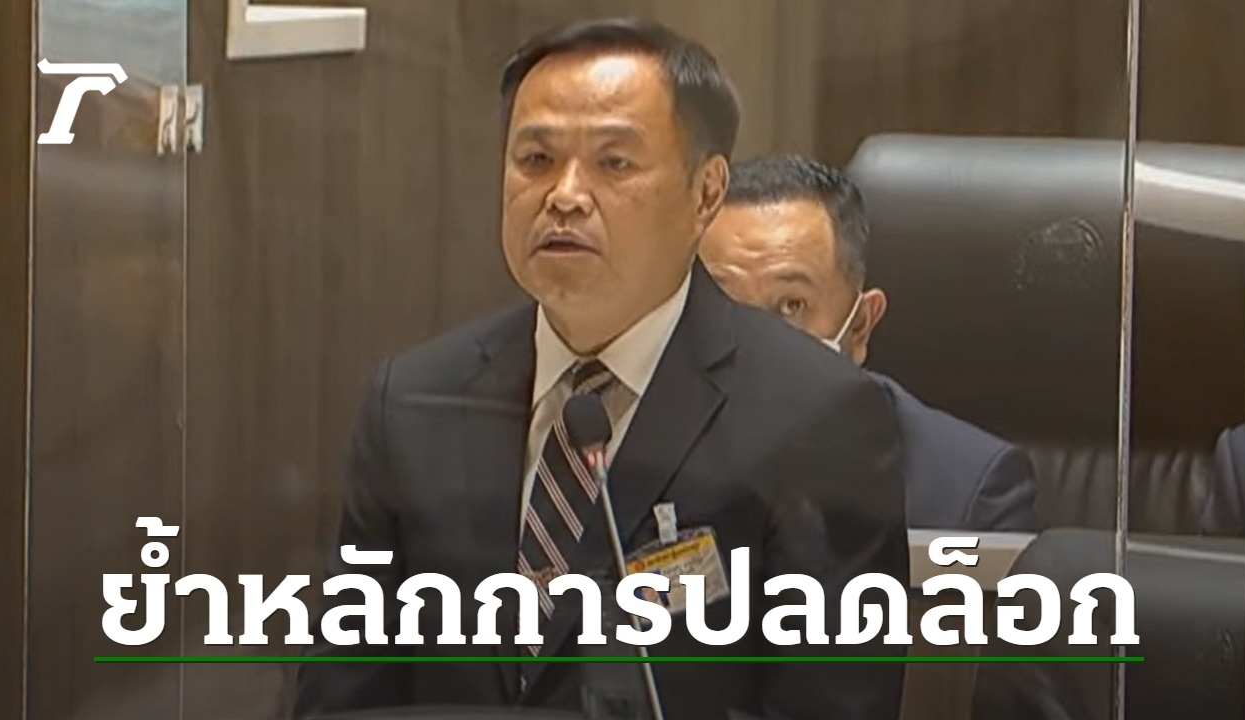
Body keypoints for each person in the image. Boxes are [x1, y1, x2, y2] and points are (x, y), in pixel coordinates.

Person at [292, 19, 909, 720]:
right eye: (535, 159)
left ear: (706, 193)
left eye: (614, 164)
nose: (564, 195)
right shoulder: (410, 402)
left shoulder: (819, 415)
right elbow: (342, 695)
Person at [699, 154, 1039, 532]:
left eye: (791, 306)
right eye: (723, 302)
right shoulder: (651, 447)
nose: (753, 337)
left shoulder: (965, 496)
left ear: (860, 325)